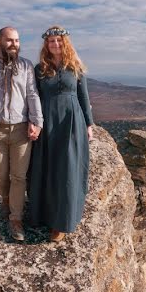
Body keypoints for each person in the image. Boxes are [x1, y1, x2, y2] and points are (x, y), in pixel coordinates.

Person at [0, 26, 43, 242]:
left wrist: (37, 121)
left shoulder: (26, 66)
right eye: (9, 40)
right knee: (1, 175)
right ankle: (5, 200)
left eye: (17, 40)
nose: (14, 44)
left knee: (19, 176)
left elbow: (32, 94)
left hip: (21, 130)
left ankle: (16, 219)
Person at [28, 26, 94, 242]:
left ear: (65, 43)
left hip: (70, 122)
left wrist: (89, 125)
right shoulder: (40, 69)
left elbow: (83, 98)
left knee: (67, 170)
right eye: (51, 41)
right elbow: (33, 97)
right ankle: (44, 215)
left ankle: (62, 222)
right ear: (46, 45)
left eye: (58, 40)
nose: (54, 44)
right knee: (46, 168)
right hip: (47, 122)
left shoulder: (75, 67)